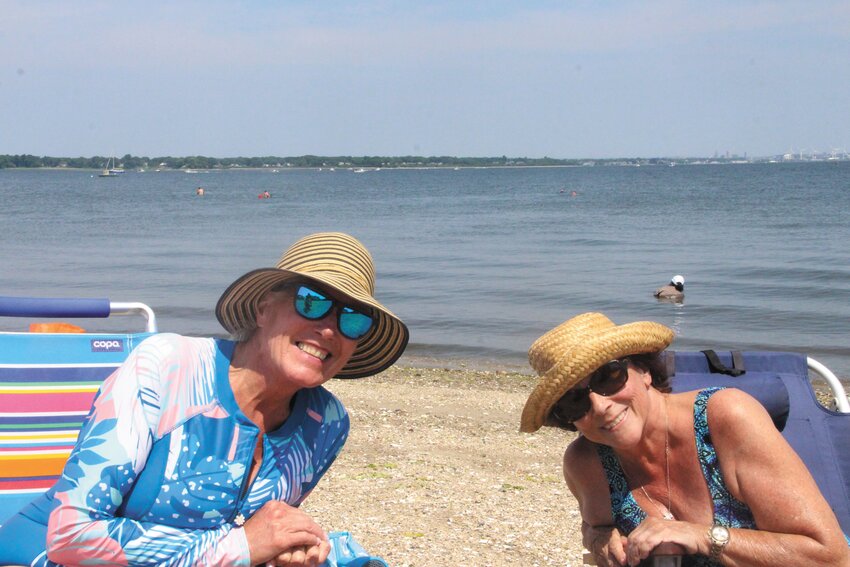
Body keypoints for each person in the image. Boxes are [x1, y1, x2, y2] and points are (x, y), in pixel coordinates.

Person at [0, 232, 409, 567]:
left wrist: (285, 547)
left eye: (353, 319)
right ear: (265, 309)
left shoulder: (325, 422)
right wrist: (244, 547)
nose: (329, 329)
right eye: (312, 301)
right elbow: (71, 536)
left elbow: (246, 529)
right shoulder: (166, 369)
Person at [520, 312, 849, 567]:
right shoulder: (586, 463)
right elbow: (597, 530)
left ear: (644, 370)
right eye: (574, 401)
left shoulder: (726, 418)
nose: (600, 406)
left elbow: (831, 558)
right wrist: (599, 538)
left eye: (609, 377)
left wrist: (701, 535)